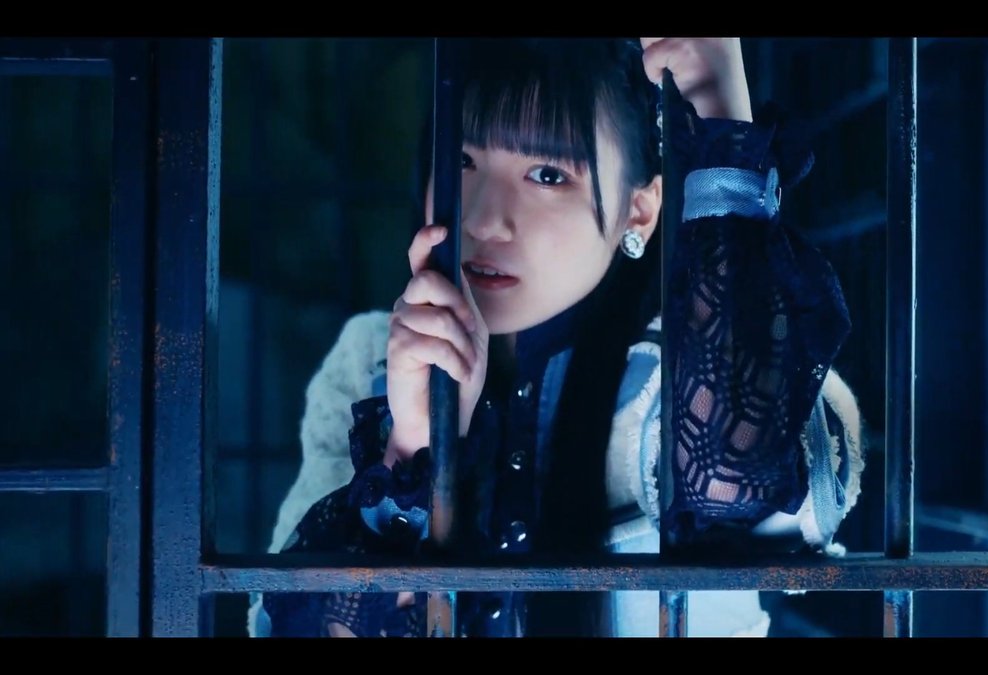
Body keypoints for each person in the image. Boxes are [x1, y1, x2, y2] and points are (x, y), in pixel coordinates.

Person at [249, 37, 864, 638]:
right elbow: (285, 623)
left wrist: (723, 123)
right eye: (461, 161)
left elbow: (732, 478)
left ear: (640, 210)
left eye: (547, 174)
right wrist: (414, 447)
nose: (484, 219)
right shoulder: (370, 356)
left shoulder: (691, 364)